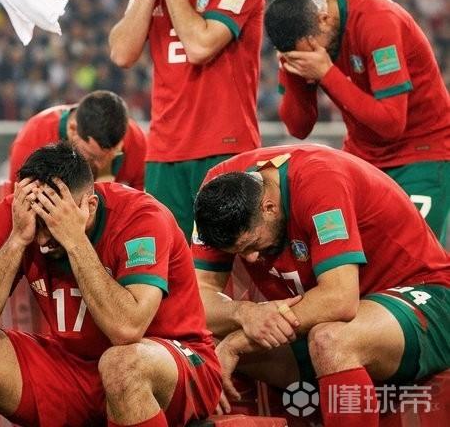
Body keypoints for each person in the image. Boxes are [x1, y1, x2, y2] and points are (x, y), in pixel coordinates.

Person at [0, 142, 221, 427]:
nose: (42, 240)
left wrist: (74, 240)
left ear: (89, 206)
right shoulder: (17, 215)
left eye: (52, 223)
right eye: (37, 224)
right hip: (75, 366)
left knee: (121, 365)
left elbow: (127, 329)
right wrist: (18, 239)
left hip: (168, 364)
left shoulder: (141, 218)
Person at [192, 144, 450, 427]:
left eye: (252, 245)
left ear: (269, 207)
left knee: (331, 340)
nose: (251, 258)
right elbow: (198, 299)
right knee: (207, 345)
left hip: (423, 296)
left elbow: (339, 300)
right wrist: (244, 313)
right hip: (322, 315)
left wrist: (239, 341)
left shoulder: (320, 182)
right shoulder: (217, 191)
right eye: (238, 252)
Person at [108, 0, 263, 240]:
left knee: (226, 255)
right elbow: (121, 53)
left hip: (224, 146)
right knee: (167, 256)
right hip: (164, 151)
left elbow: (200, 47)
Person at [265, 0, 450, 242]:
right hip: (363, 156)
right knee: (355, 252)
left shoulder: (377, 21)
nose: (313, 54)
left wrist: (327, 73)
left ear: (324, 19)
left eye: (313, 48)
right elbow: (299, 128)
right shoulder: (305, 39)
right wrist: (292, 71)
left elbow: (392, 124)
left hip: (420, 153)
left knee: (415, 252)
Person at [7, 90, 146, 189]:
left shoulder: (136, 142)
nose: (102, 165)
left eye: (111, 156)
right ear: (73, 129)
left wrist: (106, 188)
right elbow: (18, 206)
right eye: (93, 156)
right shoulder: (33, 139)